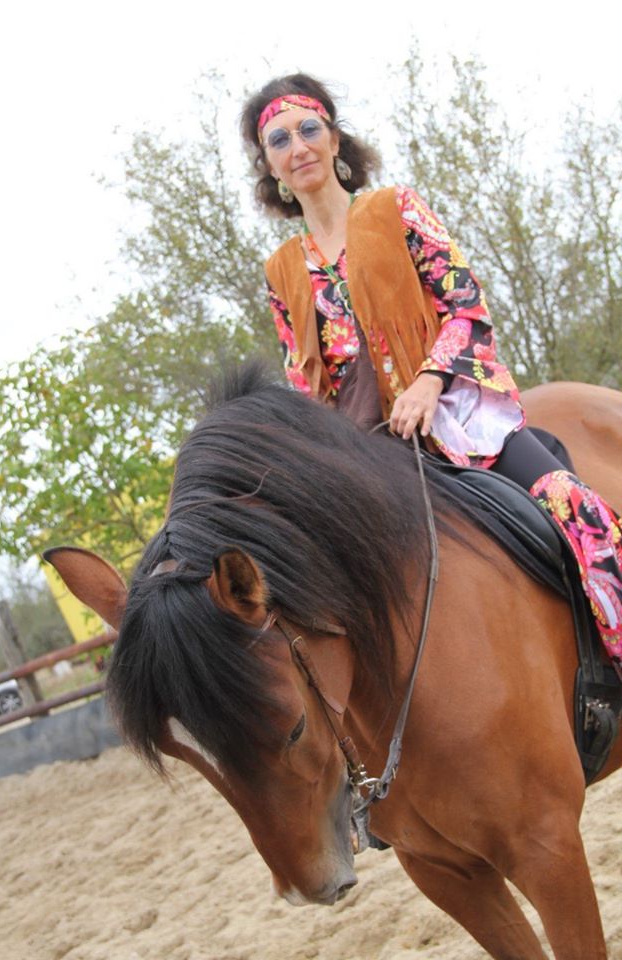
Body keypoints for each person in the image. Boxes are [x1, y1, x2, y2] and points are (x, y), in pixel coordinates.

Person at [240, 73, 622, 673]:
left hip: (455, 416)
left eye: (309, 129)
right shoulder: (280, 270)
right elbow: (305, 385)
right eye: (280, 141)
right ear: (270, 167)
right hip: (364, 451)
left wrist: (427, 382)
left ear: (335, 140)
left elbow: (466, 307)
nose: (299, 147)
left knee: (575, 505)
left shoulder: (396, 209)